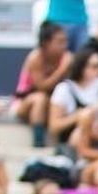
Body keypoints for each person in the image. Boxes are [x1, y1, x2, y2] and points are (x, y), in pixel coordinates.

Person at [15, 21, 72, 149]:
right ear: (46, 43)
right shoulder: (35, 58)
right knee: (40, 98)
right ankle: (39, 140)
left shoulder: (67, 58)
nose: (64, 46)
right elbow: (42, 87)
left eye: (65, 41)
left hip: (52, 106)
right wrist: (62, 70)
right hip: (26, 103)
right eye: (60, 42)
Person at [48, 48, 98, 144]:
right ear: (81, 66)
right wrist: (77, 116)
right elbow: (54, 127)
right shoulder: (64, 89)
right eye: (94, 66)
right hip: (72, 140)